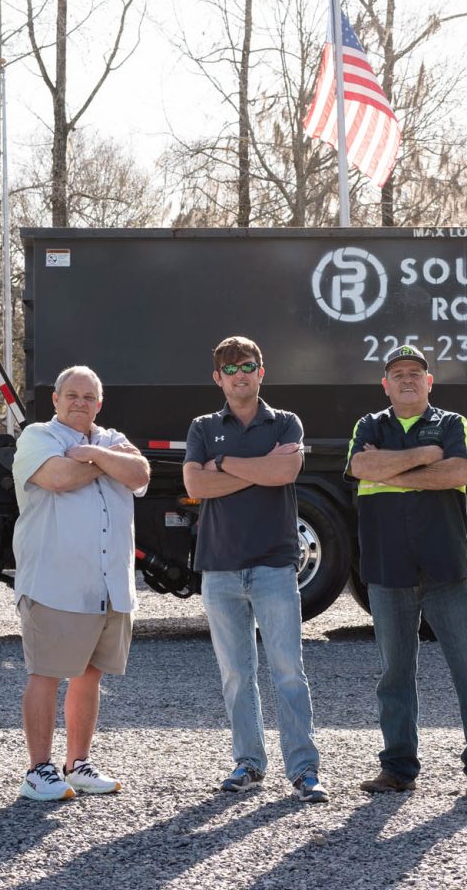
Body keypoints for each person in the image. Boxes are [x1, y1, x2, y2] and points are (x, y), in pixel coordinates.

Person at [347, 345, 467, 797]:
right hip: (387, 568)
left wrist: (390, 470)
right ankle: (397, 767)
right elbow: (360, 466)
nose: (407, 380)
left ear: (429, 381)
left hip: (443, 567)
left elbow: (456, 472)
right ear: (385, 384)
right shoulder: (368, 426)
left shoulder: (453, 424)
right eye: (397, 374)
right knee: (394, 674)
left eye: (415, 372)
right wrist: (423, 456)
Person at [182, 336, 327, 803]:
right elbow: (195, 485)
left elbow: (284, 474)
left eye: (248, 365)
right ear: (218, 378)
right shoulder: (202, 427)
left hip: (274, 566)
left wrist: (223, 465)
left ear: (261, 372)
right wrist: (257, 467)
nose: (240, 373)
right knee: (236, 675)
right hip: (220, 569)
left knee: (288, 670)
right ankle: (248, 763)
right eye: (230, 368)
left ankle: (304, 770)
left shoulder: (285, 422)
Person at [10, 365, 151, 802]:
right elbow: (57, 478)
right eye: (72, 395)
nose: (80, 403)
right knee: (46, 674)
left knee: (89, 675)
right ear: (55, 399)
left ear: (100, 404)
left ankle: (78, 764)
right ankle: (38, 770)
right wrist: (111, 463)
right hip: (56, 583)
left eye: (89, 397)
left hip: (106, 584)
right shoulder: (38, 437)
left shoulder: (107, 440)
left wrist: (94, 457)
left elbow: (142, 474)